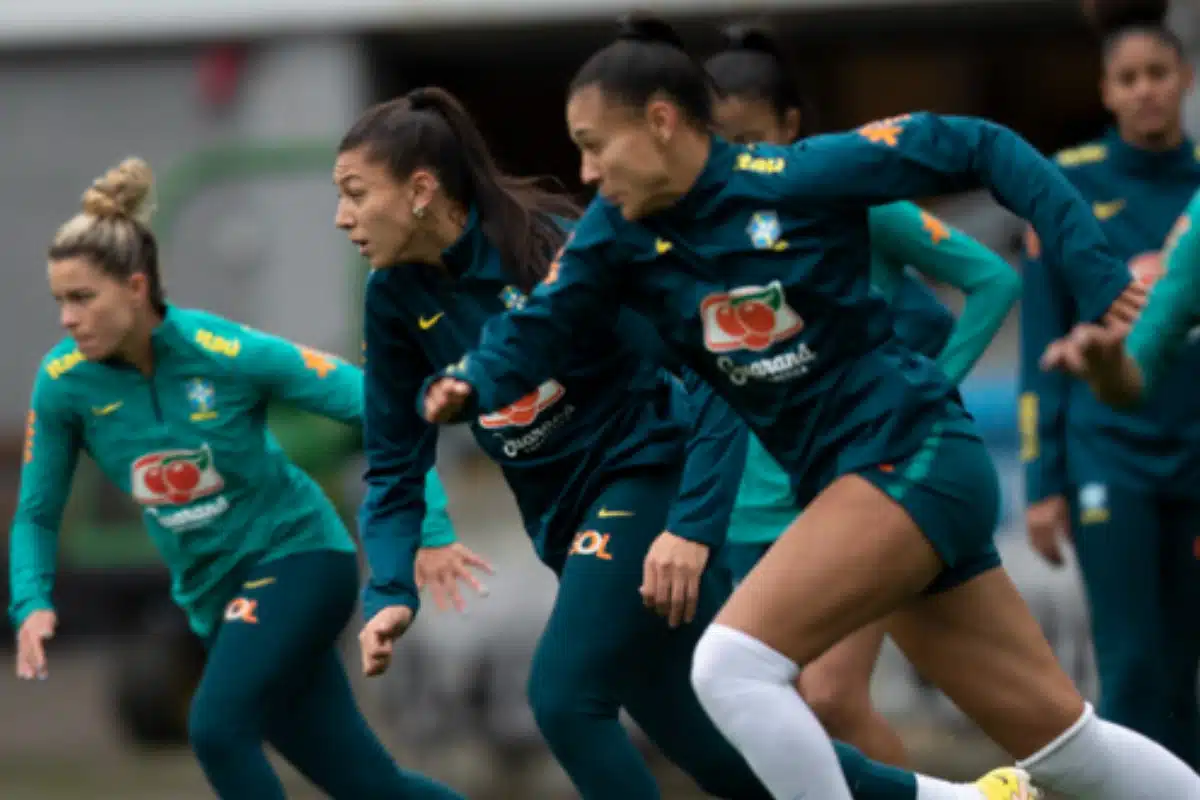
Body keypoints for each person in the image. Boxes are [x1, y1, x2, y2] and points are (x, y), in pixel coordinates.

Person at [419, 14, 1199, 800]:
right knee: (1067, 749)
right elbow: (541, 324)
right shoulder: (615, 239)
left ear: (660, 122)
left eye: (595, 144)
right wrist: (472, 381)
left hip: (912, 454)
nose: (585, 171)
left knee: (731, 665)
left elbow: (985, 145)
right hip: (864, 481)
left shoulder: (798, 177)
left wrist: (1099, 279)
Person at [339, 87, 1027, 800]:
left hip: (647, 482)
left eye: (355, 194)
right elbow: (392, 464)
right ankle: (970, 799)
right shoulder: (391, 299)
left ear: (421, 190)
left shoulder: (557, 246)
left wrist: (691, 525)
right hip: (564, 523)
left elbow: (711, 374)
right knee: (722, 751)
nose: (341, 217)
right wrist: (391, 586)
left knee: (564, 697)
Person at [8, 158, 464, 800]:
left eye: (83, 298)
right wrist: (31, 601)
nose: (67, 318)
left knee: (217, 728)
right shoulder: (63, 385)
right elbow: (36, 513)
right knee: (371, 786)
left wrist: (432, 526)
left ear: (137, 289)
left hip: (301, 559)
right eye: (60, 300)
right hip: (213, 596)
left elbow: (376, 404)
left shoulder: (221, 351)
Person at [705, 22, 1020, 769]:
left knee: (832, 698)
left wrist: (931, 392)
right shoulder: (697, 236)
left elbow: (992, 278)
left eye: (755, 140)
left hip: (852, 487)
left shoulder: (854, 202)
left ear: (791, 127)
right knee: (772, 710)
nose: (742, 162)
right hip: (744, 507)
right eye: (721, 145)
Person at [1018, 0, 1200, 767]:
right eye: (1128, 78)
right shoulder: (1068, 185)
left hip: (1195, 452)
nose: (1146, 90)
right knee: (1130, 665)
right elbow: (1039, 339)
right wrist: (1042, 480)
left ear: (1185, 79)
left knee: (1183, 667)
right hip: (1108, 457)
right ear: (1106, 91)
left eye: (1159, 73)